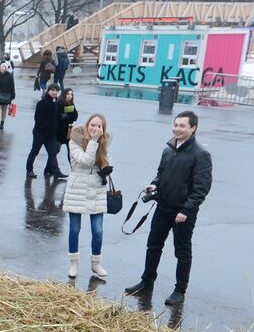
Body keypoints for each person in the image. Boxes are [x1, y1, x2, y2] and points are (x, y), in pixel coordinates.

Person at [125, 111, 213, 306]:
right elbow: (160, 173)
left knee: (182, 252)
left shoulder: (201, 154)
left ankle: (180, 290)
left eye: (182, 126)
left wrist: (186, 210)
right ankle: (147, 282)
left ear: (193, 128)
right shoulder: (169, 148)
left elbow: (202, 188)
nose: (177, 129)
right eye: (176, 125)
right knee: (153, 246)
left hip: (183, 213)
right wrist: (154, 185)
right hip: (163, 207)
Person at [62, 114, 112, 279]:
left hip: (96, 188)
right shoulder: (75, 140)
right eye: (92, 125)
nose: (95, 129)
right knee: (74, 229)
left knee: (98, 230)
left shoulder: (104, 142)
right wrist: (94, 142)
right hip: (78, 186)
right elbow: (85, 161)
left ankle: (96, 263)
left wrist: (106, 167)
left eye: (99, 126)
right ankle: (73, 263)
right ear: (87, 125)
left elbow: (106, 161)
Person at [25, 83, 67, 180]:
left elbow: (56, 117)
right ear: (48, 91)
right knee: (35, 151)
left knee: (53, 153)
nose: (54, 92)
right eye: (52, 90)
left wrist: (62, 118)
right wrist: (48, 126)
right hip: (40, 133)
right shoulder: (42, 103)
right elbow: (38, 118)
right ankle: (29, 170)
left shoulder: (56, 103)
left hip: (51, 135)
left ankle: (56, 171)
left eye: (56, 91)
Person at [0, 62, 16, 130]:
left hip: (6, 95)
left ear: (5, 68)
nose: (1, 68)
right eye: (0, 67)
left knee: (4, 110)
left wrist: (13, 95)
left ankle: (2, 123)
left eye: (3, 67)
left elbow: (12, 86)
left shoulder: (9, 75)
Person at [57, 88, 79, 157]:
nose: (70, 96)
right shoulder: (59, 103)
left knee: (70, 152)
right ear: (64, 94)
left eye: (71, 94)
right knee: (55, 151)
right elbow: (58, 116)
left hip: (68, 131)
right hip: (59, 131)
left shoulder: (71, 104)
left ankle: (72, 167)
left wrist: (67, 116)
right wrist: (66, 116)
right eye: (68, 94)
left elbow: (75, 117)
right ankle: (50, 167)